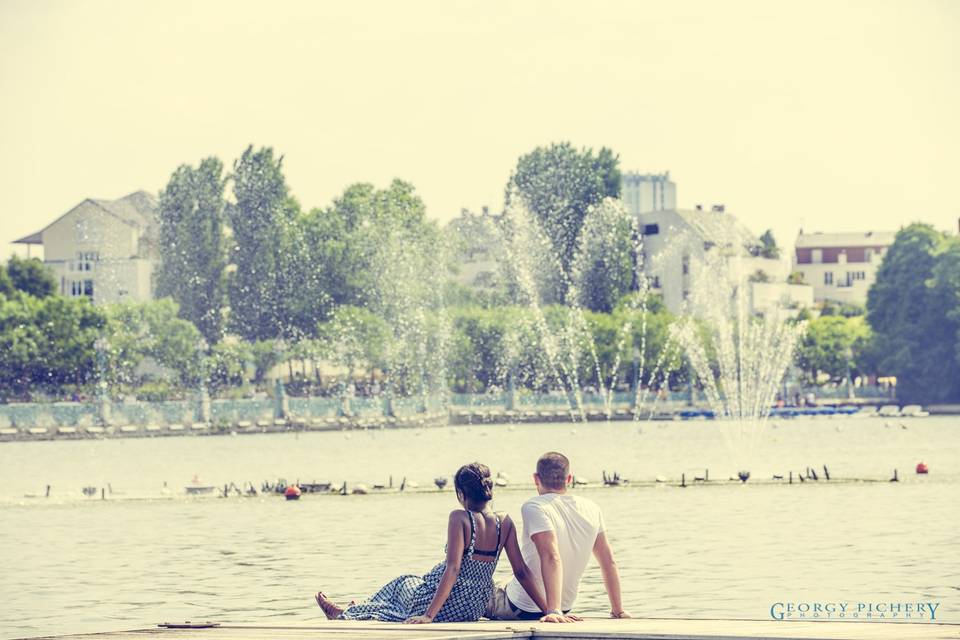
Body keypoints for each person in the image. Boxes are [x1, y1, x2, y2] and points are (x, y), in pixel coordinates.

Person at [315, 462, 548, 624]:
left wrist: (429, 615)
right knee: (403, 599)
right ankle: (356, 609)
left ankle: (349, 612)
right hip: (474, 605)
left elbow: (453, 568)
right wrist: (550, 610)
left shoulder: (460, 518)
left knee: (402, 583)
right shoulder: (504, 521)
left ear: (461, 493)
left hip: (445, 602)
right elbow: (521, 571)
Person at [486, 451, 630, 622]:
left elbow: (551, 556)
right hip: (565, 606)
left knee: (473, 588)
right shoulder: (592, 508)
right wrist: (618, 610)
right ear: (569, 479)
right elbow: (609, 561)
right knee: (507, 580)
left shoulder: (534, 506)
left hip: (522, 607)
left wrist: (553, 610)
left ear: (535, 478)